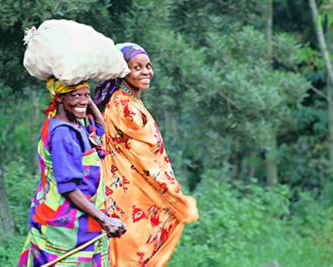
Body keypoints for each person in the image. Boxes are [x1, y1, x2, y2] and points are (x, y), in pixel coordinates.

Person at [94, 43, 199, 266]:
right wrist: (171, 191)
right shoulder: (124, 106)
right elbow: (143, 155)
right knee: (131, 254)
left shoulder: (129, 101)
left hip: (127, 189)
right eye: (137, 67)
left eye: (148, 66)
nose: (146, 72)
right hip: (132, 192)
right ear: (123, 72)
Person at [18, 78, 126, 267]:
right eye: (75, 95)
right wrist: (105, 220)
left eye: (86, 95)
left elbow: (101, 128)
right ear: (59, 98)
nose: (82, 101)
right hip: (66, 227)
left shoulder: (76, 125)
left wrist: (84, 99)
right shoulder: (63, 134)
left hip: (82, 223)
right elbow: (68, 188)